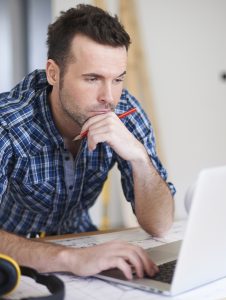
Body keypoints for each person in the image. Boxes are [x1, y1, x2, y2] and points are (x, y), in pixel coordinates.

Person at [0, 4, 175, 279]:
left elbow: (161, 225)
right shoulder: (8, 123)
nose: (109, 97)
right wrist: (68, 258)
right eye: (92, 78)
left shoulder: (125, 113)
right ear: (53, 73)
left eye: (117, 79)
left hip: (83, 245)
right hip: (13, 257)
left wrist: (140, 158)